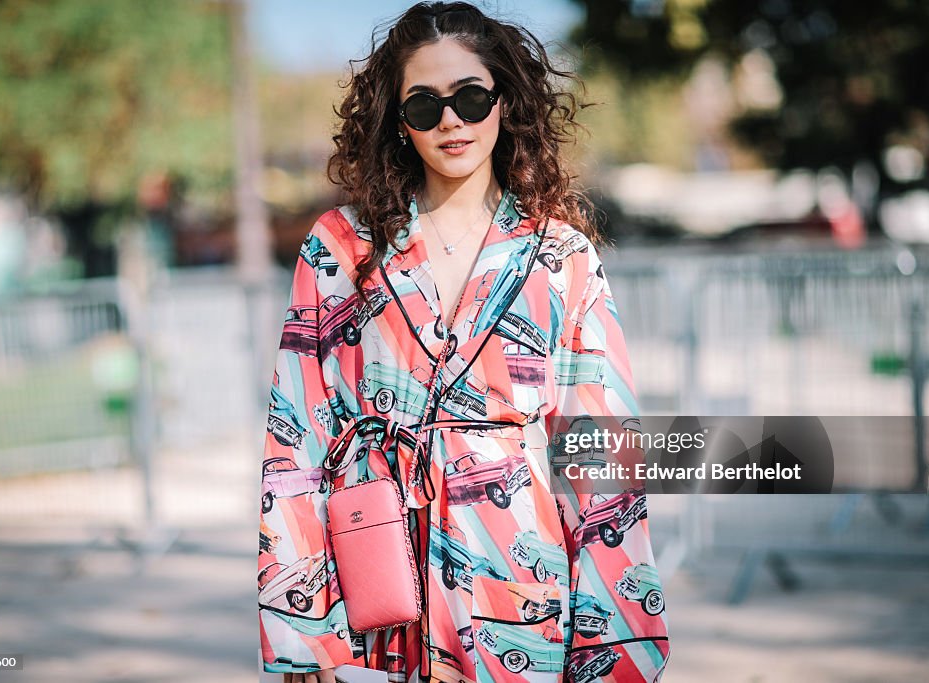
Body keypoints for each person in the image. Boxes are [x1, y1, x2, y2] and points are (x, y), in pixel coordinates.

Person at [258, 3, 670, 682]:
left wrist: (613, 651)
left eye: (471, 98)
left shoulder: (562, 259)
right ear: (398, 121)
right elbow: (295, 438)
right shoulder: (340, 247)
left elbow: (602, 465)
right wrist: (303, 627)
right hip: (377, 591)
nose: (451, 120)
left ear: (505, 103)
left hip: (523, 593)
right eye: (424, 105)